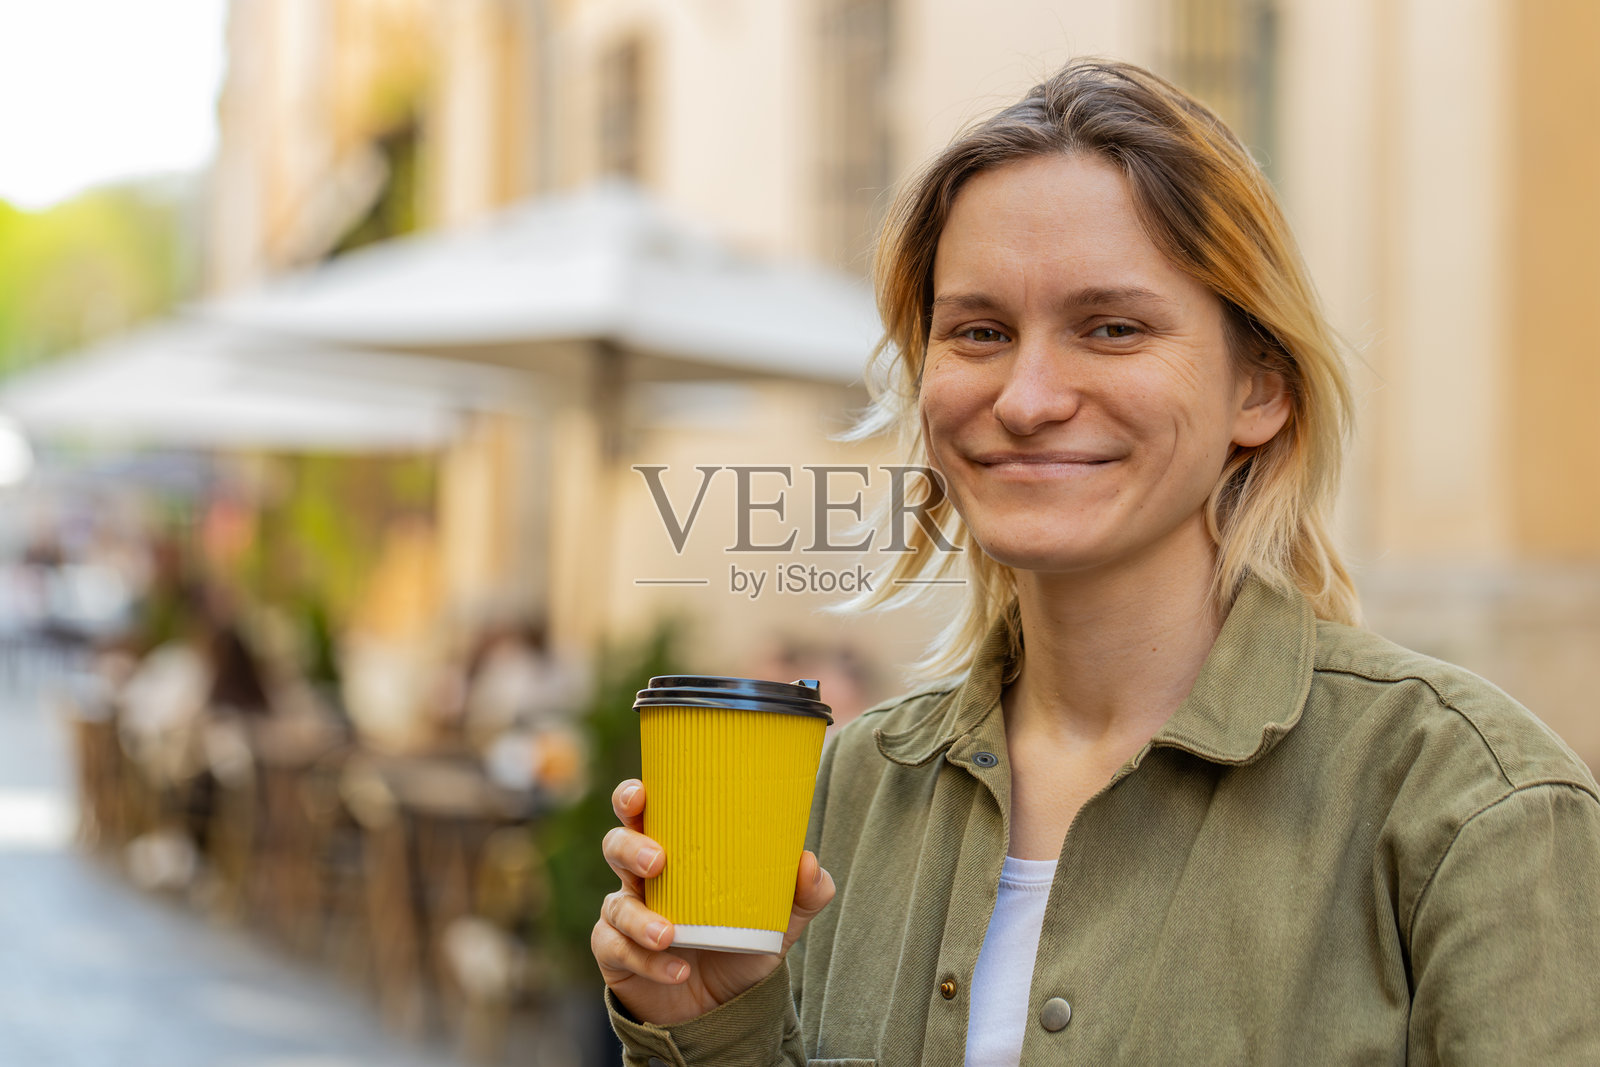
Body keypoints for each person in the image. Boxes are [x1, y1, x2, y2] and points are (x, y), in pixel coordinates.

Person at [591, 58, 1600, 1064]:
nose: (1026, 399)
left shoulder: (1470, 806)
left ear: (1260, 388)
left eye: (1110, 328)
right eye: (978, 331)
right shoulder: (847, 791)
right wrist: (709, 1025)